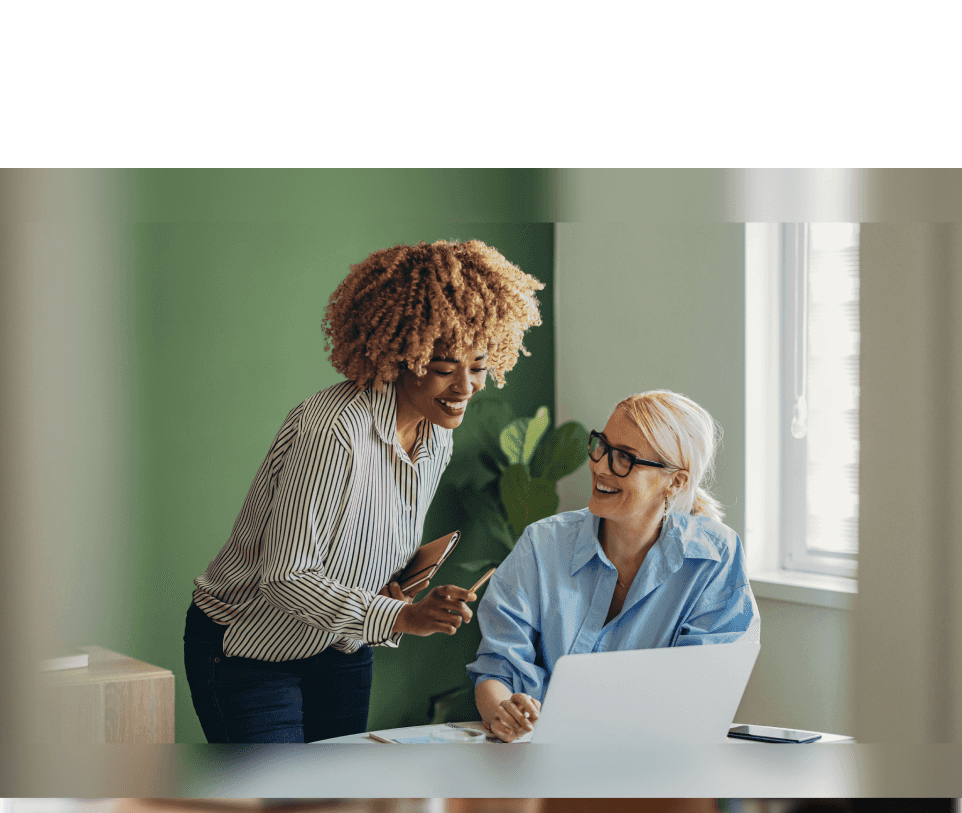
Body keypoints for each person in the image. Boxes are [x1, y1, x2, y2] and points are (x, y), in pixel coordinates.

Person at [185, 240, 543, 743]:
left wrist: (401, 590)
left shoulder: (436, 434)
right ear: (400, 356)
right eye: (443, 368)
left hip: (342, 645)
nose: (466, 386)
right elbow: (285, 576)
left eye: (479, 365)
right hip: (250, 650)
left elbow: (360, 545)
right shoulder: (333, 432)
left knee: (338, 806)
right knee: (275, 812)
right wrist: (401, 616)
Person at [468, 389, 759, 742]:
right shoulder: (542, 544)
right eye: (601, 446)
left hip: (655, 759)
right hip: (538, 757)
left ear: (676, 481)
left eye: (625, 458)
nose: (600, 466)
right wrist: (501, 710)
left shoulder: (714, 557)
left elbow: (699, 691)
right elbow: (497, 667)